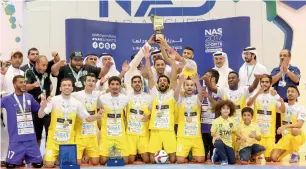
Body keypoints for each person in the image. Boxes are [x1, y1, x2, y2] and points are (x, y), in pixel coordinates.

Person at [38, 78, 102, 168]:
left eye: (69, 85)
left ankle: (60, 159)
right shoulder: (53, 100)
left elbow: (87, 118)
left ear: (72, 89)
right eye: (64, 85)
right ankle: (50, 158)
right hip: (54, 140)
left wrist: (97, 116)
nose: (66, 87)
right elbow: (40, 115)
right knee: (49, 165)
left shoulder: (77, 103)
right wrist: (42, 107)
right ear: (60, 88)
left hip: (69, 141)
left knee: (69, 165)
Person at [0, 75, 43, 168]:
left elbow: (39, 111)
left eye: (24, 82)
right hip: (16, 140)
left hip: (30, 138)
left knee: (38, 164)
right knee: (10, 165)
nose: (24, 84)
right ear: (14, 85)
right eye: (21, 82)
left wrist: (43, 105)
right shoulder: (7, 99)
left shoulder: (29, 97)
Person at [144, 46, 177, 164]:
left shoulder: (172, 93)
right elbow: (149, 72)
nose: (163, 82)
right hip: (155, 130)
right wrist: (147, 58)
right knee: (152, 160)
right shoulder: (153, 92)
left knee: (173, 160)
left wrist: (172, 60)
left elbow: (173, 76)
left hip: (168, 130)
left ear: (168, 84)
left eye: (165, 81)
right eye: (160, 81)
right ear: (157, 83)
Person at [246, 74, 285, 162]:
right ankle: (252, 154)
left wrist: (279, 98)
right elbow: (248, 104)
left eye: (267, 82)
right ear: (260, 83)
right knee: (252, 159)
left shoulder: (274, 95)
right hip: (257, 134)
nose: (264, 84)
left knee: (269, 159)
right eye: (262, 82)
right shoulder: (256, 94)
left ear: (270, 84)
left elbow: (282, 110)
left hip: (269, 134)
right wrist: (257, 93)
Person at [174, 72, 205, 163]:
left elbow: (201, 93)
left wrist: (197, 82)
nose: (189, 87)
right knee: (179, 160)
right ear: (184, 87)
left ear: (194, 87)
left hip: (196, 136)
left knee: (201, 160)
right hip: (183, 136)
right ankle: (187, 157)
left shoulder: (197, 98)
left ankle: (193, 156)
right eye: (187, 85)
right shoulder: (180, 99)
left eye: (192, 85)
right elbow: (175, 95)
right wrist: (180, 83)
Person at [71, 73, 102, 165]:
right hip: (80, 133)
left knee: (96, 162)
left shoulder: (98, 95)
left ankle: (87, 154)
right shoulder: (76, 95)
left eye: (93, 81)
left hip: (92, 133)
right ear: (84, 82)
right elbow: (64, 95)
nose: (91, 83)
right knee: (77, 162)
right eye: (89, 80)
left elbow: (112, 89)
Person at [98, 76, 129, 165]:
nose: (115, 86)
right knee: (103, 161)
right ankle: (113, 155)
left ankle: (114, 155)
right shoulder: (102, 98)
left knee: (126, 161)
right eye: (112, 84)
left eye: (117, 84)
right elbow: (97, 113)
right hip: (107, 135)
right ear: (109, 86)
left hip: (120, 135)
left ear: (120, 86)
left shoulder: (125, 98)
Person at [270, 85, 305, 163]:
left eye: (292, 91)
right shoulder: (284, 106)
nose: (290, 93)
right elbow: (278, 103)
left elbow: (299, 124)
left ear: (297, 94)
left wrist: (285, 126)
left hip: (297, 135)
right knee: (273, 157)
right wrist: (275, 94)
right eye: (288, 91)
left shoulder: (301, 108)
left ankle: (295, 154)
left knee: (295, 130)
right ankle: (292, 150)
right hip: (286, 138)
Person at [24, 55, 52, 146]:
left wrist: (48, 95)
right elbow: (25, 87)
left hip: (47, 106)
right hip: (34, 107)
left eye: (46, 65)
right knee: (37, 133)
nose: (45, 68)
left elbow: (50, 86)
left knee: (49, 131)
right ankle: (36, 157)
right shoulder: (29, 72)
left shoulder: (46, 72)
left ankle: (48, 156)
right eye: (43, 65)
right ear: (36, 64)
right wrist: (33, 85)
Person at [126, 75, 151, 164]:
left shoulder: (148, 97)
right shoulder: (126, 96)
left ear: (142, 84)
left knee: (147, 160)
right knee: (130, 160)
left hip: (143, 132)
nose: (137, 84)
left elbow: (154, 112)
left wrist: (149, 116)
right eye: (135, 82)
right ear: (131, 85)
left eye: (139, 82)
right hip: (130, 133)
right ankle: (136, 156)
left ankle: (140, 155)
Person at [210, 100, 244, 165]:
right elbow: (212, 133)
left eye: (228, 108)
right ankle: (224, 159)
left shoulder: (232, 120)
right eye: (223, 108)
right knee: (218, 143)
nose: (226, 110)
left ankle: (217, 154)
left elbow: (234, 131)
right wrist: (217, 136)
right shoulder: (216, 121)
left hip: (228, 143)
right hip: (219, 141)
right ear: (220, 110)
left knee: (232, 161)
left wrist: (241, 137)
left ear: (230, 110)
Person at [200, 69, 220, 161]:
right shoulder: (200, 91)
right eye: (204, 75)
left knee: (214, 159)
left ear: (213, 79)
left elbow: (216, 107)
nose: (204, 77)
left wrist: (208, 96)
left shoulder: (219, 91)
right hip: (202, 128)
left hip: (214, 129)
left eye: (207, 76)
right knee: (202, 157)